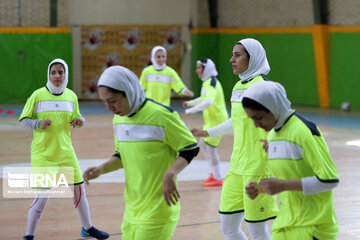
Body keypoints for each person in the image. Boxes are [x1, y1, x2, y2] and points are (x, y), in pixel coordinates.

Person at [83, 65, 199, 239]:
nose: (109, 108)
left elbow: (190, 148)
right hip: (131, 211)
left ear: (128, 91)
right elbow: (121, 156)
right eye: (105, 102)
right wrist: (101, 169)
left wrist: (170, 173)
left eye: (113, 101)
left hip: (159, 211)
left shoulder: (162, 115)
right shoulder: (118, 120)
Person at [191, 39, 279, 240]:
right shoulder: (238, 86)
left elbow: (284, 122)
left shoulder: (266, 88)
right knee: (229, 228)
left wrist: (278, 147)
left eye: (238, 55)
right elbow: (236, 120)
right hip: (236, 167)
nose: (232, 59)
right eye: (233, 54)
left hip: (258, 169)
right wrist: (208, 132)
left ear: (253, 57)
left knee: (258, 231)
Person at [19, 59, 109, 240]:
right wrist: (37, 123)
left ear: (66, 74)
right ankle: (29, 235)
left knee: (79, 190)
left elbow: (77, 118)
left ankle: (88, 228)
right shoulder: (37, 95)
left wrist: (80, 121)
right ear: (48, 74)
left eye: (61, 72)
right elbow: (24, 119)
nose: (57, 76)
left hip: (66, 153)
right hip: (43, 155)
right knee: (42, 198)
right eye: (53, 72)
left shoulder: (71, 96)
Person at [242, 81, 339, 240]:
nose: (256, 124)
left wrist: (281, 186)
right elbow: (292, 174)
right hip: (284, 225)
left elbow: (330, 180)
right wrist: (261, 188)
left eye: (258, 117)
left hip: (313, 227)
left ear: (273, 107)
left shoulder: (304, 131)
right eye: (251, 119)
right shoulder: (273, 135)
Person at [183, 58, 228, 186]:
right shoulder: (208, 82)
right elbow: (203, 98)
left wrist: (191, 111)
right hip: (212, 120)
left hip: (217, 120)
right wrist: (190, 103)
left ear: (206, 69)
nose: (197, 71)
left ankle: (218, 177)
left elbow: (209, 102)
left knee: (209, 147)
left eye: (199, 68)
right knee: (203, 144)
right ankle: (214, 173)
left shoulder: (211, 83)